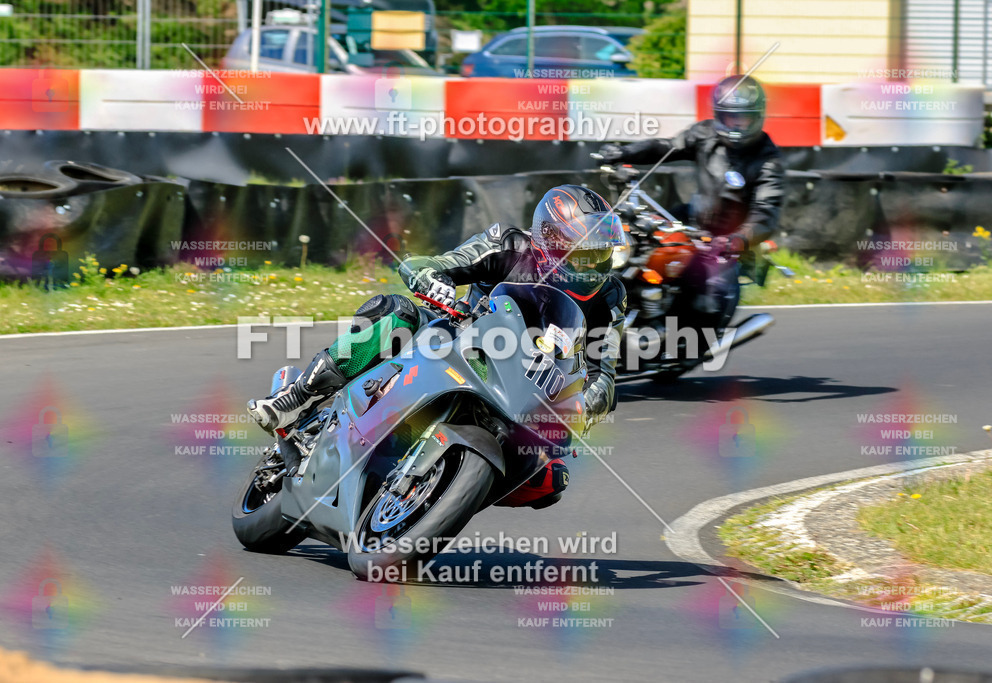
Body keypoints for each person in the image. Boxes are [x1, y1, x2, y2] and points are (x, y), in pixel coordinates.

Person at [246, 185, 627, 508]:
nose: (594, 263)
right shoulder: (509, 245)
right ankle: (296, 398)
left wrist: (586, 404)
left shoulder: (608, 296)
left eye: (601, 252)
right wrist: (430, 277)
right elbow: (437, 263)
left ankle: (435, 494)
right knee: (398, 315)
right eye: (584, 252)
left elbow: (603, 373)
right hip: (463, 338)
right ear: (550, 238)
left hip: (526, 386)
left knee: (549, 480)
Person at [599, 74, 785, 328]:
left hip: (726, 244)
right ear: (720, 115)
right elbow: (666, 147)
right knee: (634, 251)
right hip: (688, 222)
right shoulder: (705, 134)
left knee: (703, 301)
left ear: (757, 117)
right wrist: (623, 152)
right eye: (732, 118)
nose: (737, 126)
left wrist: (739, 238)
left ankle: (679, 341)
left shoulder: (768, 161)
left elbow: (766, 212)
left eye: (744, 118)